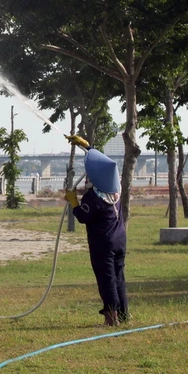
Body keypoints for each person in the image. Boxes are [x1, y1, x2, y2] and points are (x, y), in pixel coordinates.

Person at [64, 135, 128, 326]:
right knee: (118, 277)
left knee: (106, 279)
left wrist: (73, 201)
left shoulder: (93, 197)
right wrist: (88, 148)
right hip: (120, 240)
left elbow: (83, 217)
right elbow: (103, 163)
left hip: (103, 243)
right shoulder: (116, 189)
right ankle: (123, 314)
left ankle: (111, 318)